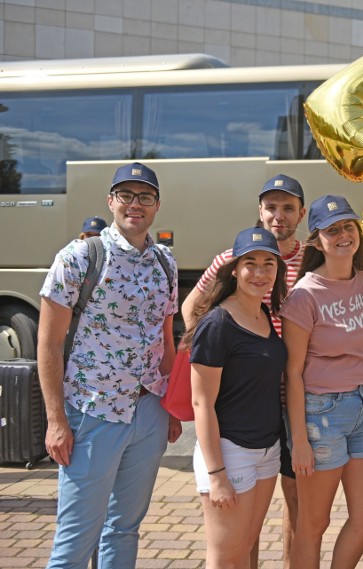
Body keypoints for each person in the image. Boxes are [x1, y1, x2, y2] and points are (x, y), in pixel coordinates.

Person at [37, 161, 182, 568]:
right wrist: (55, 420)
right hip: (91, 414)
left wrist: (170, 407)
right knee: (77, 536)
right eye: (126, 195)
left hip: (149, 409)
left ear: (157, 205)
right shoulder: (80, 257)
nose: (135, 204)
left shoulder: (165, 262)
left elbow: (165, 338)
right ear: (111, 201)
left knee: (123, 529)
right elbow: (48, 346)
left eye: (145, 197)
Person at [282, 195, 363, 569]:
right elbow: (292, 372)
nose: (343, 235)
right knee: (313, 522)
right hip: (321, 413)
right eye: (333, 229)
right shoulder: (304, 296)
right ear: (318, 239)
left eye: (348, 226)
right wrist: (300, 442)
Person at [181, 173, 305, 569]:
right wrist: (214, 351)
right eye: (271, 206)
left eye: (288, 207)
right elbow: (191, 311)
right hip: (234, 423)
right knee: (231, 546)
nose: (279, 215)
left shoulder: (308, 264)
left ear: (301, 213)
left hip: (280, 411)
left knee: (265, 520)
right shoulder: (221, 317)